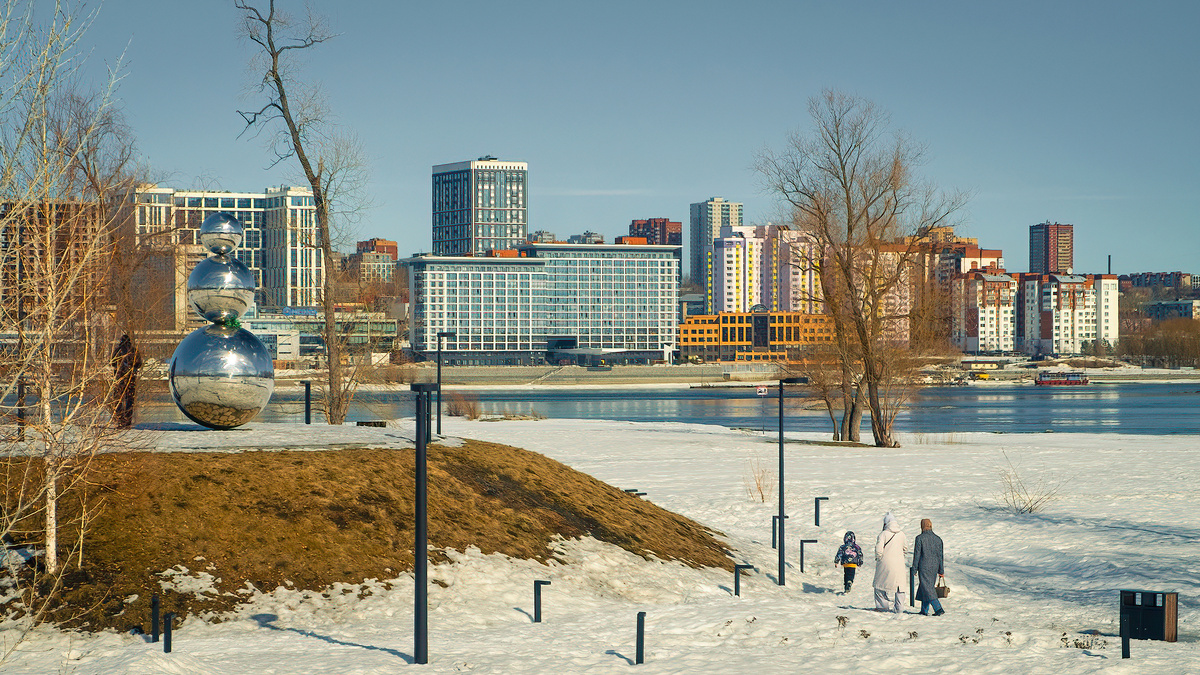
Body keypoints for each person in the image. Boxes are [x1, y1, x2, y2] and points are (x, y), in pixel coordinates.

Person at [873, 512, 908, 612]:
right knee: (900, 586)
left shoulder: (883, 534)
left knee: (879, 585)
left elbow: (878, 550)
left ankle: (882, 607)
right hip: (899, 564)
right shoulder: (902, 534)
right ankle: (899, 608)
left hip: (885, 563)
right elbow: (905, 548)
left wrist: (879, 558)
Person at [912, 518, 945, 616]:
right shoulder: (938, 539)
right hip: (934, 567)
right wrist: (941, 570)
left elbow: (917, 555)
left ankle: (938, 608)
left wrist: (914, 568)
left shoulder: (919, 538)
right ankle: (924, 610)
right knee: (925, 587)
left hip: (924, 566)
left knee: (927, 588)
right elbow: (940, 556)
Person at [110, 334, 142, 429]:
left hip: (119, 379)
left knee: (118, 400)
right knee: (129, 400)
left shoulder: (117, 350)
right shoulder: (134, 351)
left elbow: (112, 363)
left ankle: (119, 421)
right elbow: (139, 364)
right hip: (131, 379)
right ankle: (127, 422)